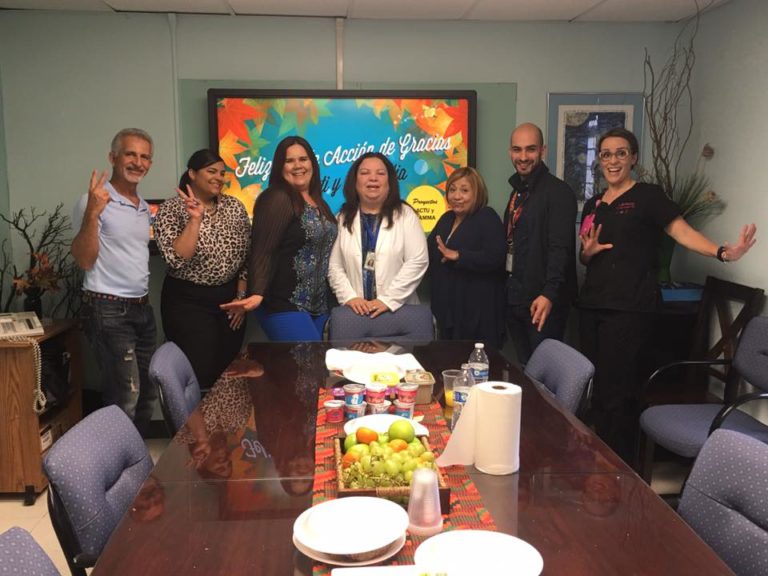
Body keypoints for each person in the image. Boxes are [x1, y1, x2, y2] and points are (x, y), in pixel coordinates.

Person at [578, 126, 757, 461]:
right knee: (597, 391)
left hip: (630, 309)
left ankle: (620, 467)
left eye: (620, 153)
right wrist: (587, 253)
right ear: (599, 161)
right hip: (592, 306)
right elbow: (586, 255)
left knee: (620, 394)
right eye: (606, 155)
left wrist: (721, 252)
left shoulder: (648, 196)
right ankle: (597, 461)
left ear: (633, 158)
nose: (613, 161)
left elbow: (681, 232)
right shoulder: (594, 203)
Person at [71, 128, 157, 435]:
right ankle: (115, 462)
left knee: (146, 396)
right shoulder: (93, 201)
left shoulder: (142, 206)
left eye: (145, 156)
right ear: (113, 157)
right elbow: (84, 260)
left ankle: (137, 459)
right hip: (107, 309)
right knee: (124, 398)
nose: (138, 162)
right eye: (130, 154)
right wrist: (92, 213)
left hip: (142, 309)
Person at [221, 136, 337, 341]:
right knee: (307, 360)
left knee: (318, 361)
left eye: (303, 159)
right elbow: (262, 250)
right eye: (289, 161)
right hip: (282, 303)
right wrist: (257, 293)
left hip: (319, 306)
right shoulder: (276, 198)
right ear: (280, 167)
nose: (298, 165)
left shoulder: (320, 202)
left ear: (312, 163)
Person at [153, 149, 251, 389]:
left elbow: (247, 257)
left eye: (222, 173)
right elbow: (176, 260)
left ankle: (224, 415)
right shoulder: (171, 209)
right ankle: (195, 415)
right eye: (211, 171)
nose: (219, 177)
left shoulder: (234, 207)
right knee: (199, 371)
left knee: (228, 371)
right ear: (192, 173)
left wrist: (241, 298)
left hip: (230, 301)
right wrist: (195, 220)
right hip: (188, 302)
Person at [504, 123, 577, 364]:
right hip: (516, 298)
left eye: (531, 149)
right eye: (517, 149)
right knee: (525, 368)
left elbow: (561, 249)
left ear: (543, 150)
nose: (523, 157)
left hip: (543, 303)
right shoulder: (517, 193)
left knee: (544, 372)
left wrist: (549, 294)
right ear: (510, 152)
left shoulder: (559, 192)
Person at [328, 152, 428, 318]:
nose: (373, 178)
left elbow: (417, 261)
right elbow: (334, 266)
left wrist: (388, 300)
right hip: (356, 312)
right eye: (365, 173)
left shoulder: (406, 215)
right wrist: (350, 297)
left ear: (389, 183)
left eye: (380, 173)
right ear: (355, 182)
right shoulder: (342, 218)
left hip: (399, 313)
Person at [427, 167, 506, 347]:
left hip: (477, 312)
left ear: (477, 193)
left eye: (464, 190)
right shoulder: (446, 219)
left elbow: (496, 257)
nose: (457, 196)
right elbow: (428, 252)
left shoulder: (487, 217)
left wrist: (458, 255)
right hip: (448, 310)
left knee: (475, 361)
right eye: (452, 190)